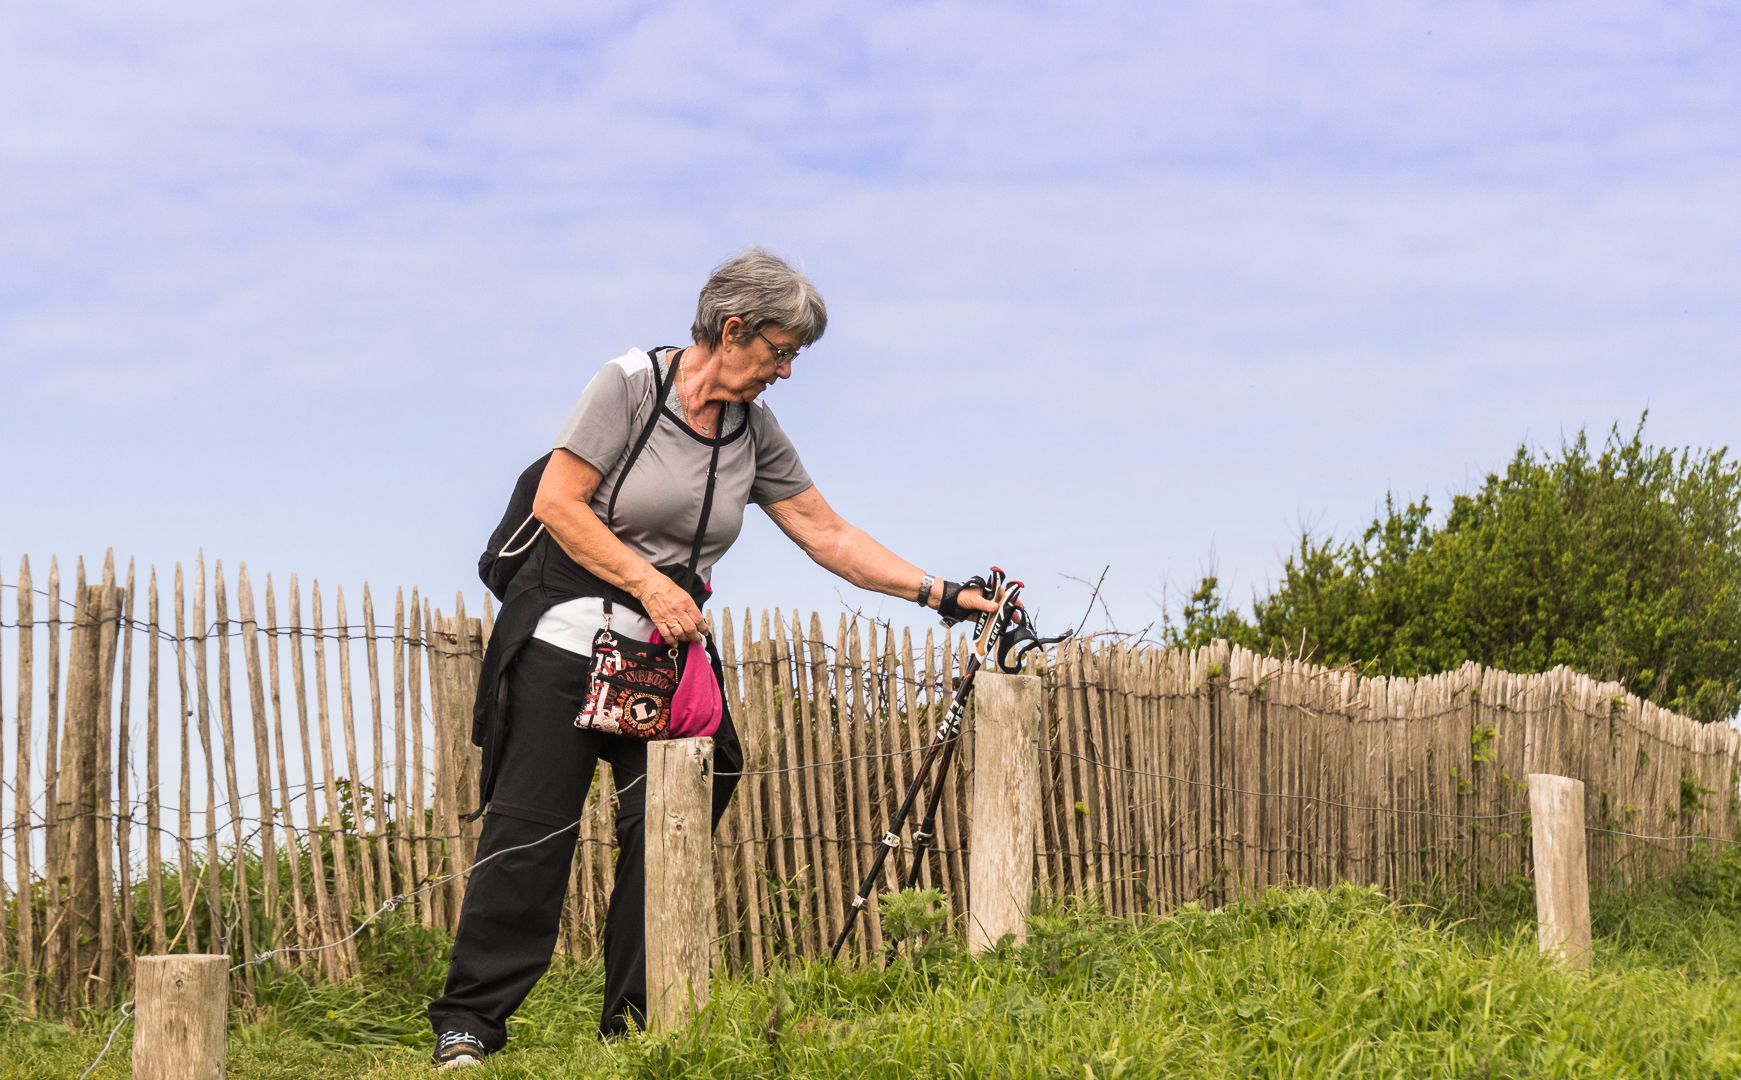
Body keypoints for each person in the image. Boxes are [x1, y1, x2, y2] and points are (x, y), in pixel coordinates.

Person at [427, 247, 1002, 1069]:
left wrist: (940, 593)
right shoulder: (628, 385)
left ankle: (635, 1027)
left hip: (662, 663)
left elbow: (826, 533)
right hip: (564, 643)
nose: (787, 369)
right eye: (781, 349)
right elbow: (559, 502)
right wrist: (649, 585)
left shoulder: (753, 429)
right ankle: (470, 1026)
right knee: (531, 836)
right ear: (732, 330)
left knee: (671, 823)